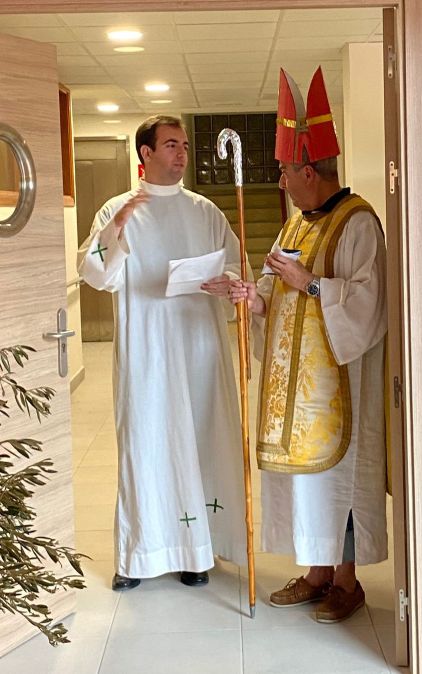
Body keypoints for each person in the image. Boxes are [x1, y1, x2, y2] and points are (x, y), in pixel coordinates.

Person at [230, 67, 388, 622]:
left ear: (308, 170)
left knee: (339, 480)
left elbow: (369, 304)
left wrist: (311, 283)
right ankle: (318, 573)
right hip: (294, 393)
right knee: (307, 485)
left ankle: (347, 581)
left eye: (284, 172)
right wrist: (255, 299)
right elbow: (279, 291)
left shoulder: (357, 223)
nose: (280, 182)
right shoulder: (295, 225)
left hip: (335, 389)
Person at [77, 115, 247, 591]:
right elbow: (95, 274)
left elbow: (235, 264)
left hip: (198, 344)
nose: (182, 153)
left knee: (200, 441)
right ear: (146, 153)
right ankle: (139, 554)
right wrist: (115, 232)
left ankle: (196, 552)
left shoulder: (205, 211)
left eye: (185, 146)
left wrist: (230, 282)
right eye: (171, 145)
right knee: (147, 443)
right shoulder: (116, 209)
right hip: (147, 347)